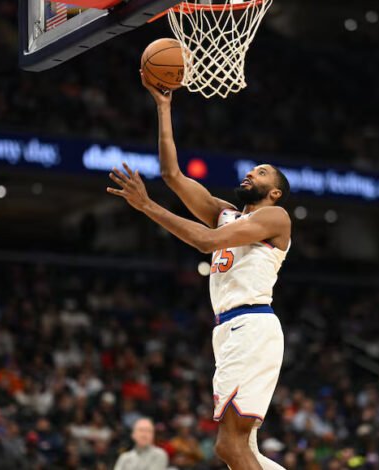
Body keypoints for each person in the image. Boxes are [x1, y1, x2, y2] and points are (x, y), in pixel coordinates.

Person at [106, 75, 292, 470]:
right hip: (227, 331)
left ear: (274, 192)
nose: (250, 175)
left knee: (229, 448)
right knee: (245, 453)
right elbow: (173, 176)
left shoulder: (275, 217)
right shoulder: (225, 213)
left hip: (252, 325)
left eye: (260, 173)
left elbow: (208, 243)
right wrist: (163, 107)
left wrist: (147, 207)